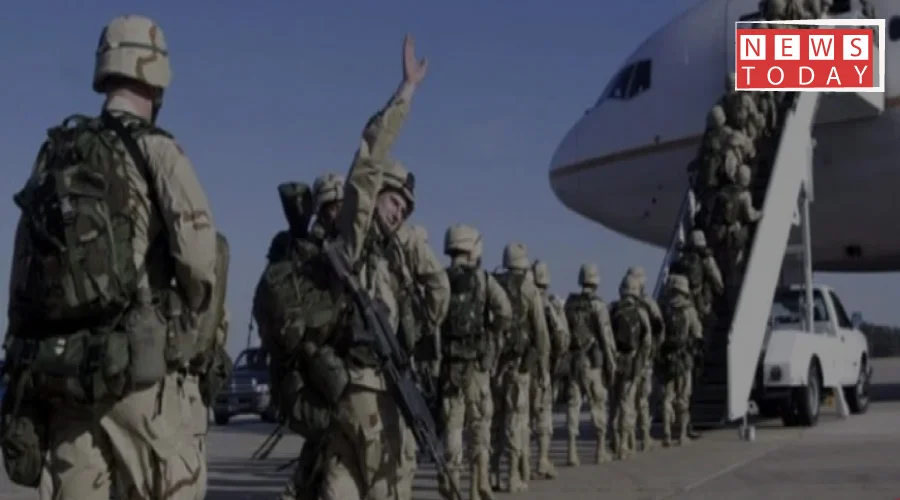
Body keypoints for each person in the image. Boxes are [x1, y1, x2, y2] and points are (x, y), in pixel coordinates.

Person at [2, 15, 216, 500]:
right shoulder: (157, 150)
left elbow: (23, 271)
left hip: (68, 384)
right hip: (139, 382)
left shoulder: (57, 153)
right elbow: (200, 261)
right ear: (157, 76)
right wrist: (184, 334)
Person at [438, 224, 511, 500]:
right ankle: (477, 487)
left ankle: (453, 484)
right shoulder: (483, 279)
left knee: (453, 426)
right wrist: (491, 333)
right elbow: (505, 312)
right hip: (477, 368)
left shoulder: (440, 279)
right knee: (479, 425)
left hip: (450, 366)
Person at [563, 264, 617, 465]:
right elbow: (606, 336)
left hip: (573, 361)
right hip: (592, 363)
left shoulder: (569, 304)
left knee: (573, 404)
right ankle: (600, 450)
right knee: (598, 404)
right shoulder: (598, 305)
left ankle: (571, 452)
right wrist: (611, 362)